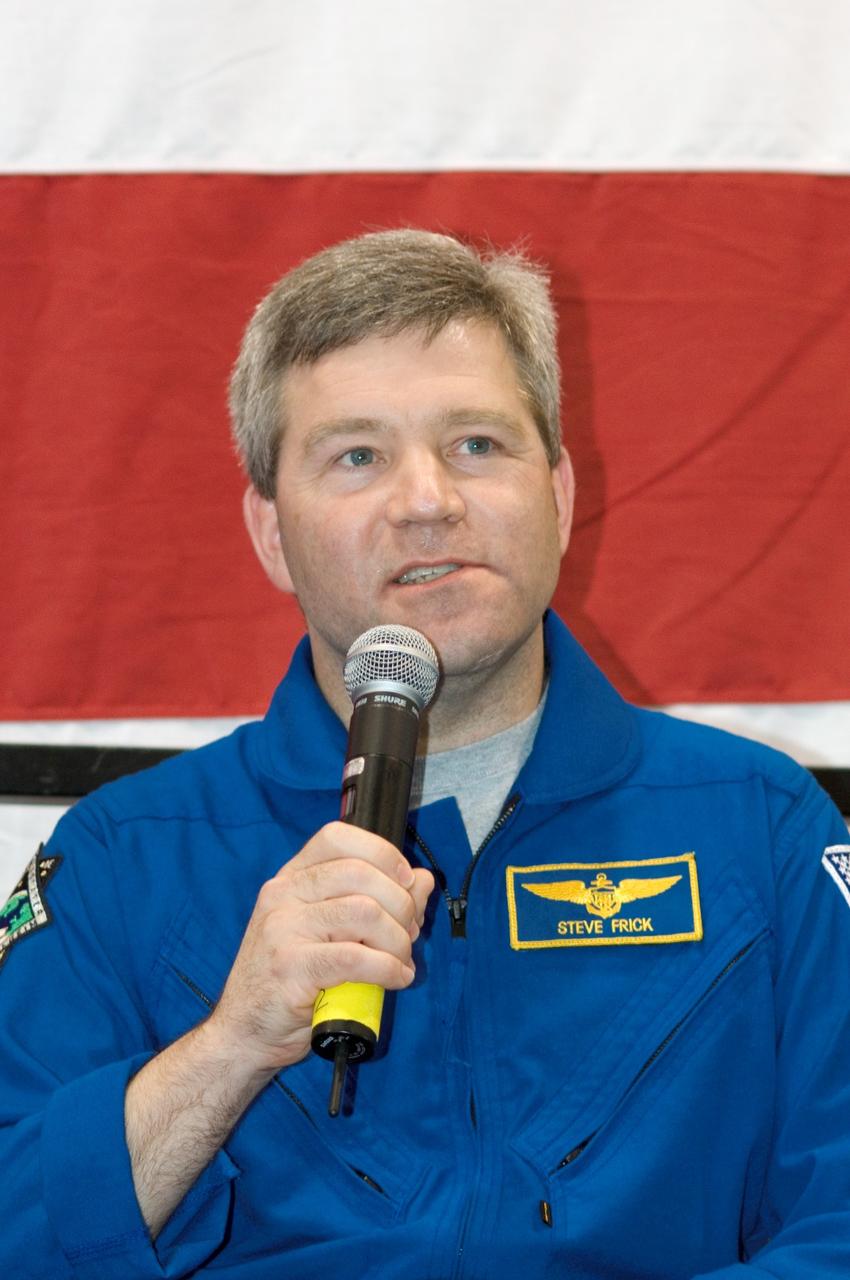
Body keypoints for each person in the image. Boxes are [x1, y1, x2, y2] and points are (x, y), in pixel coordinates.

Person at [1, 230, 849, 1280]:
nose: (425, 500)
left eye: (476, 444)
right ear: (270, 533)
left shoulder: (760, 829)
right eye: (356, 455)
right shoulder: (123, 863)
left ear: (561, 492)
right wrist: (229, 1044)